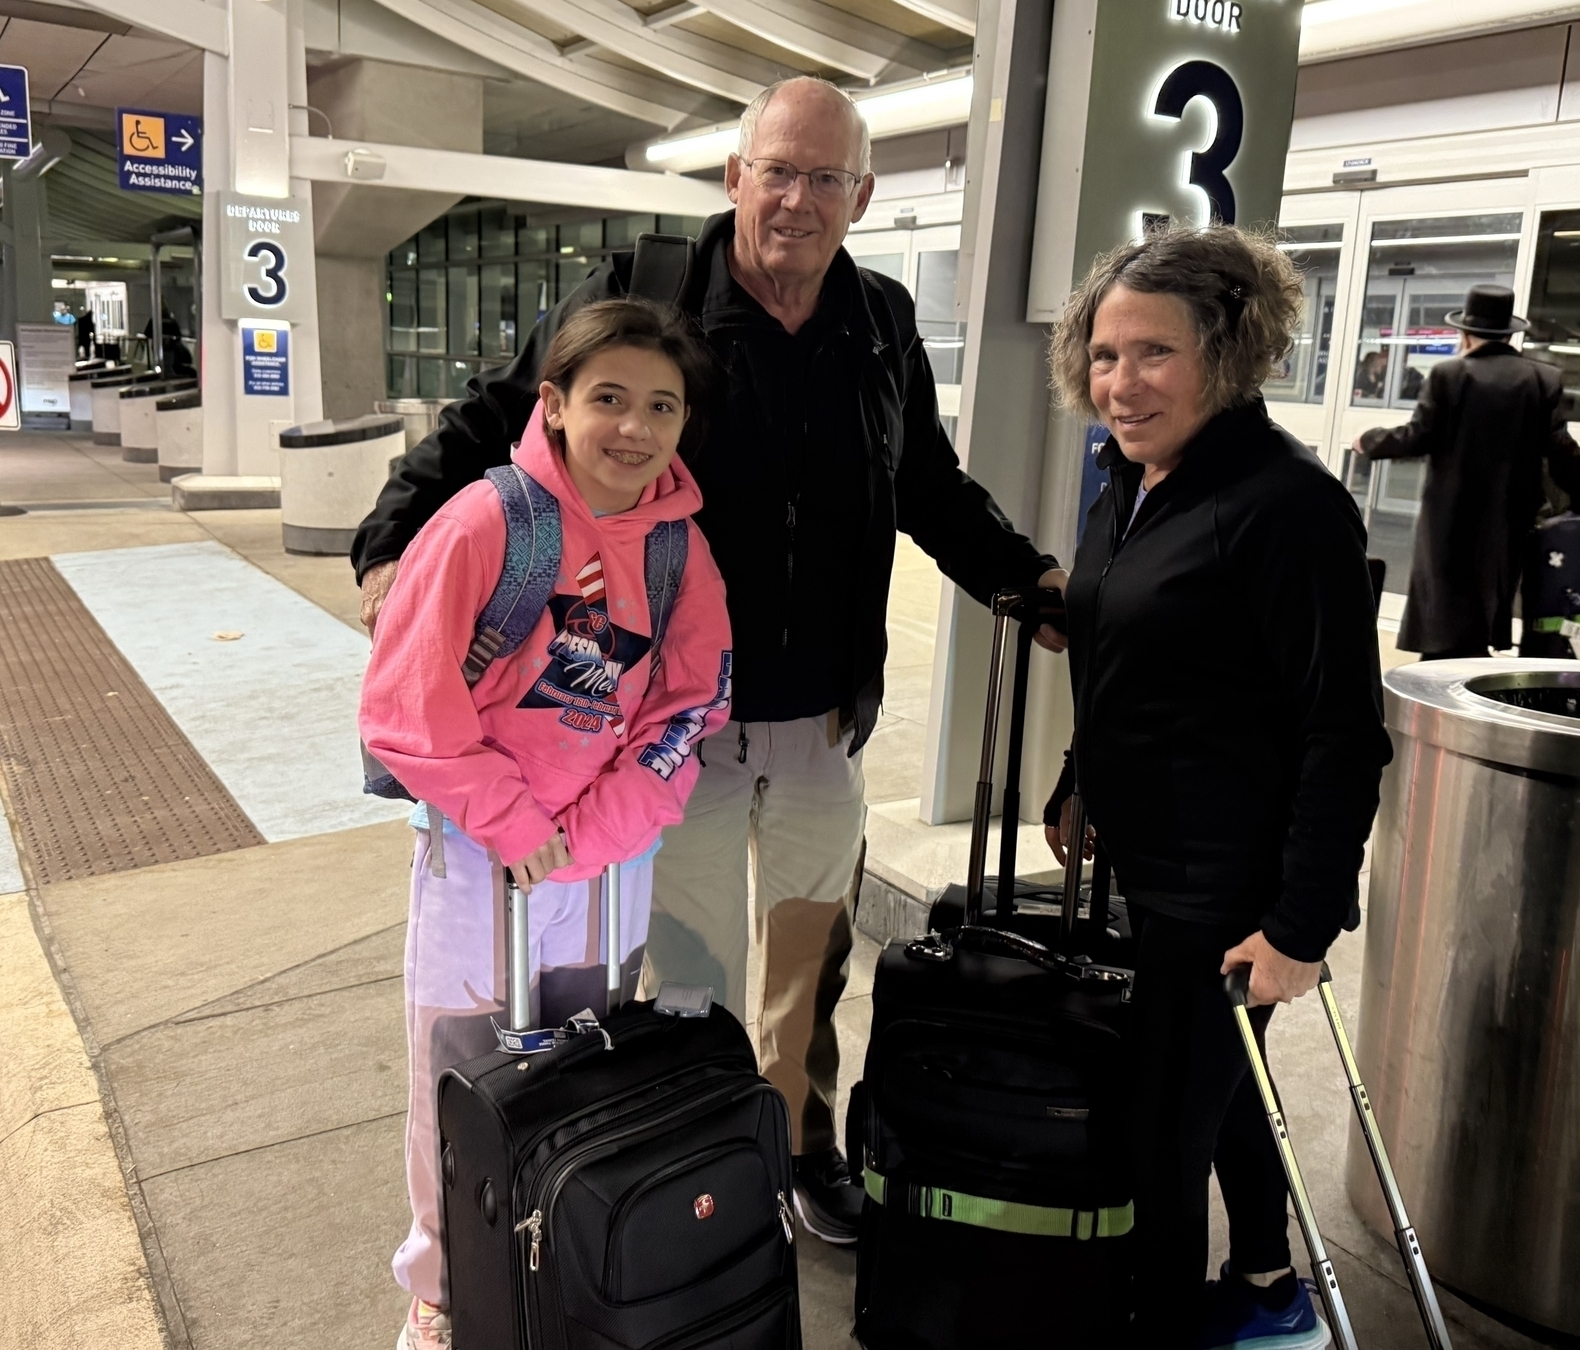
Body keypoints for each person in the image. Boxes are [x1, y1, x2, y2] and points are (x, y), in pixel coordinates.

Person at [351, 76, 1065, 1245]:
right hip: (659, 725)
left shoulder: (878, 326)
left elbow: (929, 485)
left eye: (825, 177)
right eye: (776, 170)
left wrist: (1020, 579)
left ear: (863, 196)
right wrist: (389, 540)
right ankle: (698, 1158)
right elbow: (496, 418)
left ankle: (795, 1144)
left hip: (820, 715)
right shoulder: (645, 293)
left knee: (809, 954)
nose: (797, 198)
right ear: (734, 177)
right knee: (687, 968)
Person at [359, 299, 733, 1350]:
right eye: (608, 398)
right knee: (461, 1065)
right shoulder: (488, 523)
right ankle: (445, 1278)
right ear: (555, 404)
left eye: (661, 405)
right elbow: (404, 706)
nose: (635, 427)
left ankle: (565, 1235)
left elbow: (693, 699)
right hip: (481, 860)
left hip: (607, 863)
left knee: (584, 1058)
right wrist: (516, 825)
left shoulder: (678, 550)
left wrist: (614, 821)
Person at [1043, 226, 1391, 1348]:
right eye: (1103, 354)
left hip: (1229, 881)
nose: (1121, 382)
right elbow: (1113, 653)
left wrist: (1297, 922)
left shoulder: (1286, 506)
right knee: (1224, 1084)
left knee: (1160, 1131)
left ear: (1228, 353)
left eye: (1154, 353)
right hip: (1155, 857)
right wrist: (1078, 781)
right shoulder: (1131, 478)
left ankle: (1158, 1326)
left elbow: (1345, 732)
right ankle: (1263, 1284)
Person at [1355, 283, 1580, 660]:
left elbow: (1418, 436)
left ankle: (1436, 690)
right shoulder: (1541, 378)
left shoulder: (1450, 374)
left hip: (1451, 516)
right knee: (1486, 601)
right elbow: (1562, 448)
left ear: (1465, 334)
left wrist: (1371, 441)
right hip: (1510, 514)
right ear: (1508, 332)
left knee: (1444, 615)